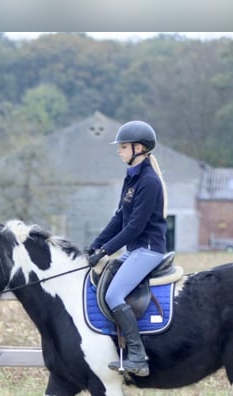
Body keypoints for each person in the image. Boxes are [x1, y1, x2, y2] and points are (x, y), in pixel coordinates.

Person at [87, 120, 168, 377]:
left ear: (139, 148)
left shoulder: (149, 182)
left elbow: (134, 227)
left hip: (148, 249)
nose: (118, 151)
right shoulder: (131, 178)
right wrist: (96, 244)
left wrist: (106, 251)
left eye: (123, 147)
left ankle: (137, 355)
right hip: (134, 250)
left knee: (113, 295)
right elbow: (119, 218)